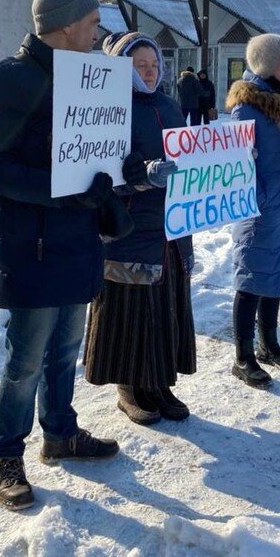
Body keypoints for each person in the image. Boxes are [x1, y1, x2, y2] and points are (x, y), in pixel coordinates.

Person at [0, 0, 141, 511]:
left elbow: (97, 151)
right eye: (93, 24)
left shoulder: (91, 78)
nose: (98, 34)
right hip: (32, 243)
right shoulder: (11, 80)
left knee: (66, 349)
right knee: (25, 360)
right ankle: (6, 455)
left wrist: (121, 169)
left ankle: (60, 433)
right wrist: (62, 192)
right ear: (67, 24)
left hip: (78, 237)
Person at [83, 32, 195, 426]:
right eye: (138, 65)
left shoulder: (170, 105)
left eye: (153, 66)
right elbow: (98, 170)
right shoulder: (107, 107)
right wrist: (142, 176)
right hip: (128, 227)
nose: (148, 73)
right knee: (130, 311)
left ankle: (159, 382)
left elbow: (192, 156)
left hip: (172, 227)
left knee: (164, 308)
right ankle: (129, 386)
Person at [227, 34, 280, 389]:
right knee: (251, 282)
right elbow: (234, 166)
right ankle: (243, 357)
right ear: (269, 66)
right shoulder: (247, 108)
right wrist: (257, 193)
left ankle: (269, 344)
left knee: (273, 277)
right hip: (258, 212)